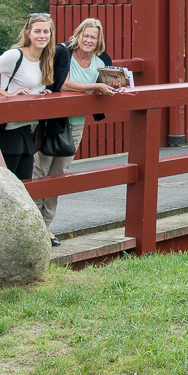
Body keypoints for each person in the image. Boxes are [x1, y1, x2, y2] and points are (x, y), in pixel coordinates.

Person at [33, 18, 120, 244]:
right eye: (85, 35)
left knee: (58, 175)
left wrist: (114, 86)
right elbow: (62, 83)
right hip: (50, 121)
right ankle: (31, 227)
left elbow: (107, 84)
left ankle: (46, 227)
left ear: (98, 40)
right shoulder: (63, 53)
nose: (88, 40)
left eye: (93, 37)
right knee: (39, 171)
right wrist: (95, 87)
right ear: (78, 35)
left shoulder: (103, 59)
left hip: (75, 123)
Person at [0, 13, 60, 183]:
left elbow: (34, 87)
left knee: (24, 185)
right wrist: (7, 94)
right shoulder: (14, 56)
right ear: (28, 33)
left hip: (30, 128)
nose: (42, 36)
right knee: (7, 185)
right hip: (10, 129)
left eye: (46, 31)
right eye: (37, 31)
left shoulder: (45, 58)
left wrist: (42, 93)